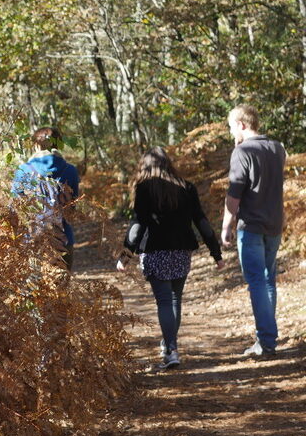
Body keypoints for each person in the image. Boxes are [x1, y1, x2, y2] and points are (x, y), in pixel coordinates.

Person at [117, 147, 223, 369]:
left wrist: (125, 255)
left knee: (165, 301)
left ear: (145, 165)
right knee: (175, 300)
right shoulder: (187, 187)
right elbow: (201, 221)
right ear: (169, 164)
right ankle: (170, 346)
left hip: (155, 252)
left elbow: (137, 226)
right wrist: (216, 252)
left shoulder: (145, 189)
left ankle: (171, 350)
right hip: (181, 252)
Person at [221, 104, 286, 358]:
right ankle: (269, 337)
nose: (230, 132)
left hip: (251, 226)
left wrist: (227, 225)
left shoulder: (242, 152)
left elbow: (234, 193)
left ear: (242, 125)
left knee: (257, 281)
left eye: (231, 127)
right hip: (274, 224)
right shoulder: (277, 148)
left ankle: (266, 341)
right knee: (268, 279)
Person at [11, 126, 79, 270]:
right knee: (61, 288)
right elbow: (72, 207)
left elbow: (14, 209)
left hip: (32, 242)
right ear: (59, 144)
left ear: (36, 145)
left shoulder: (23, 171)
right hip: (63, 240)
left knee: (35, 290)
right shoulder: (70, 170)